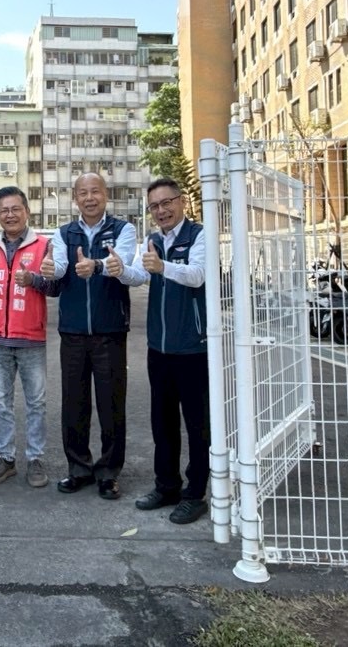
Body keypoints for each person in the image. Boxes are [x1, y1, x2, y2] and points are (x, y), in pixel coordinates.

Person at [46, 173, 138, 500]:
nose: (89, 198)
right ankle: (79, 469)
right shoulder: (63, 233)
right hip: (72, 333)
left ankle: (109, 473)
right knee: (74, 404)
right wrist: (50, 270)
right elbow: (59, 266)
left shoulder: (123, 230)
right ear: (75, 198)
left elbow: (121, 263)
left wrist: (96, 265)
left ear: (105, 195)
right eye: (83, 193)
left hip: (110, 331)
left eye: (95, 191)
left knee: (112, 405)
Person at [128, 178, 210, 525]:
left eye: (167, 203)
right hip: (159, 348)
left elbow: (198, 275)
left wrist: (163, 267)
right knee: (162, 423)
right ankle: (167, 487)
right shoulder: (153, 241)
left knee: (197, 425)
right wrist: (116, 270)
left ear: (182, 201)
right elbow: (137, 275)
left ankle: (195, 494)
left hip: (193, 348)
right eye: (154, 206)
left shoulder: (199, 235)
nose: (161, 211)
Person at [0, 186, 55, 488]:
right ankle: (5, 458)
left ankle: (35, 459)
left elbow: (55, 287)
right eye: (4, 210)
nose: (10, 215)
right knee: (1, 403)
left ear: (26, 211)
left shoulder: (43, 245)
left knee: (36, 403)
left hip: (31, 338)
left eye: (15, 209)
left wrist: (33, 279)